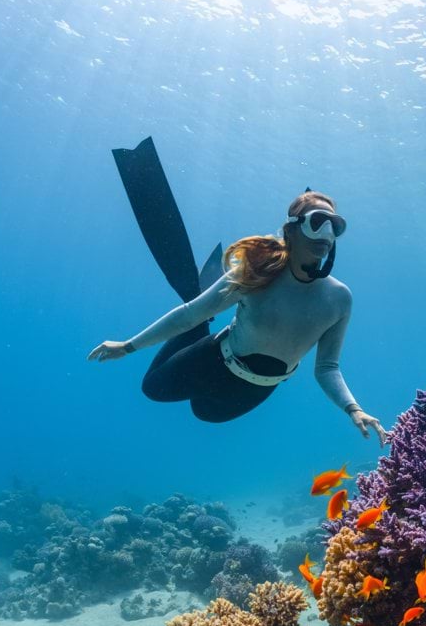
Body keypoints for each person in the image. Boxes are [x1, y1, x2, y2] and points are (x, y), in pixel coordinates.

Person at [88, 139, 385, 441]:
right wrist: (128, 346)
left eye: (335, 226)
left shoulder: (339, 299)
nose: (327, 233)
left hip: (260, 387)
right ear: (292, 228)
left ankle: (208, 312)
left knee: (204, 413)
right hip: (214, 360)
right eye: (317, 222)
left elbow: (327, 367)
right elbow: (188, 315)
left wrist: (353, 408)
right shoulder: (256, 272)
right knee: (152, 388)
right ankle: (207, 310)